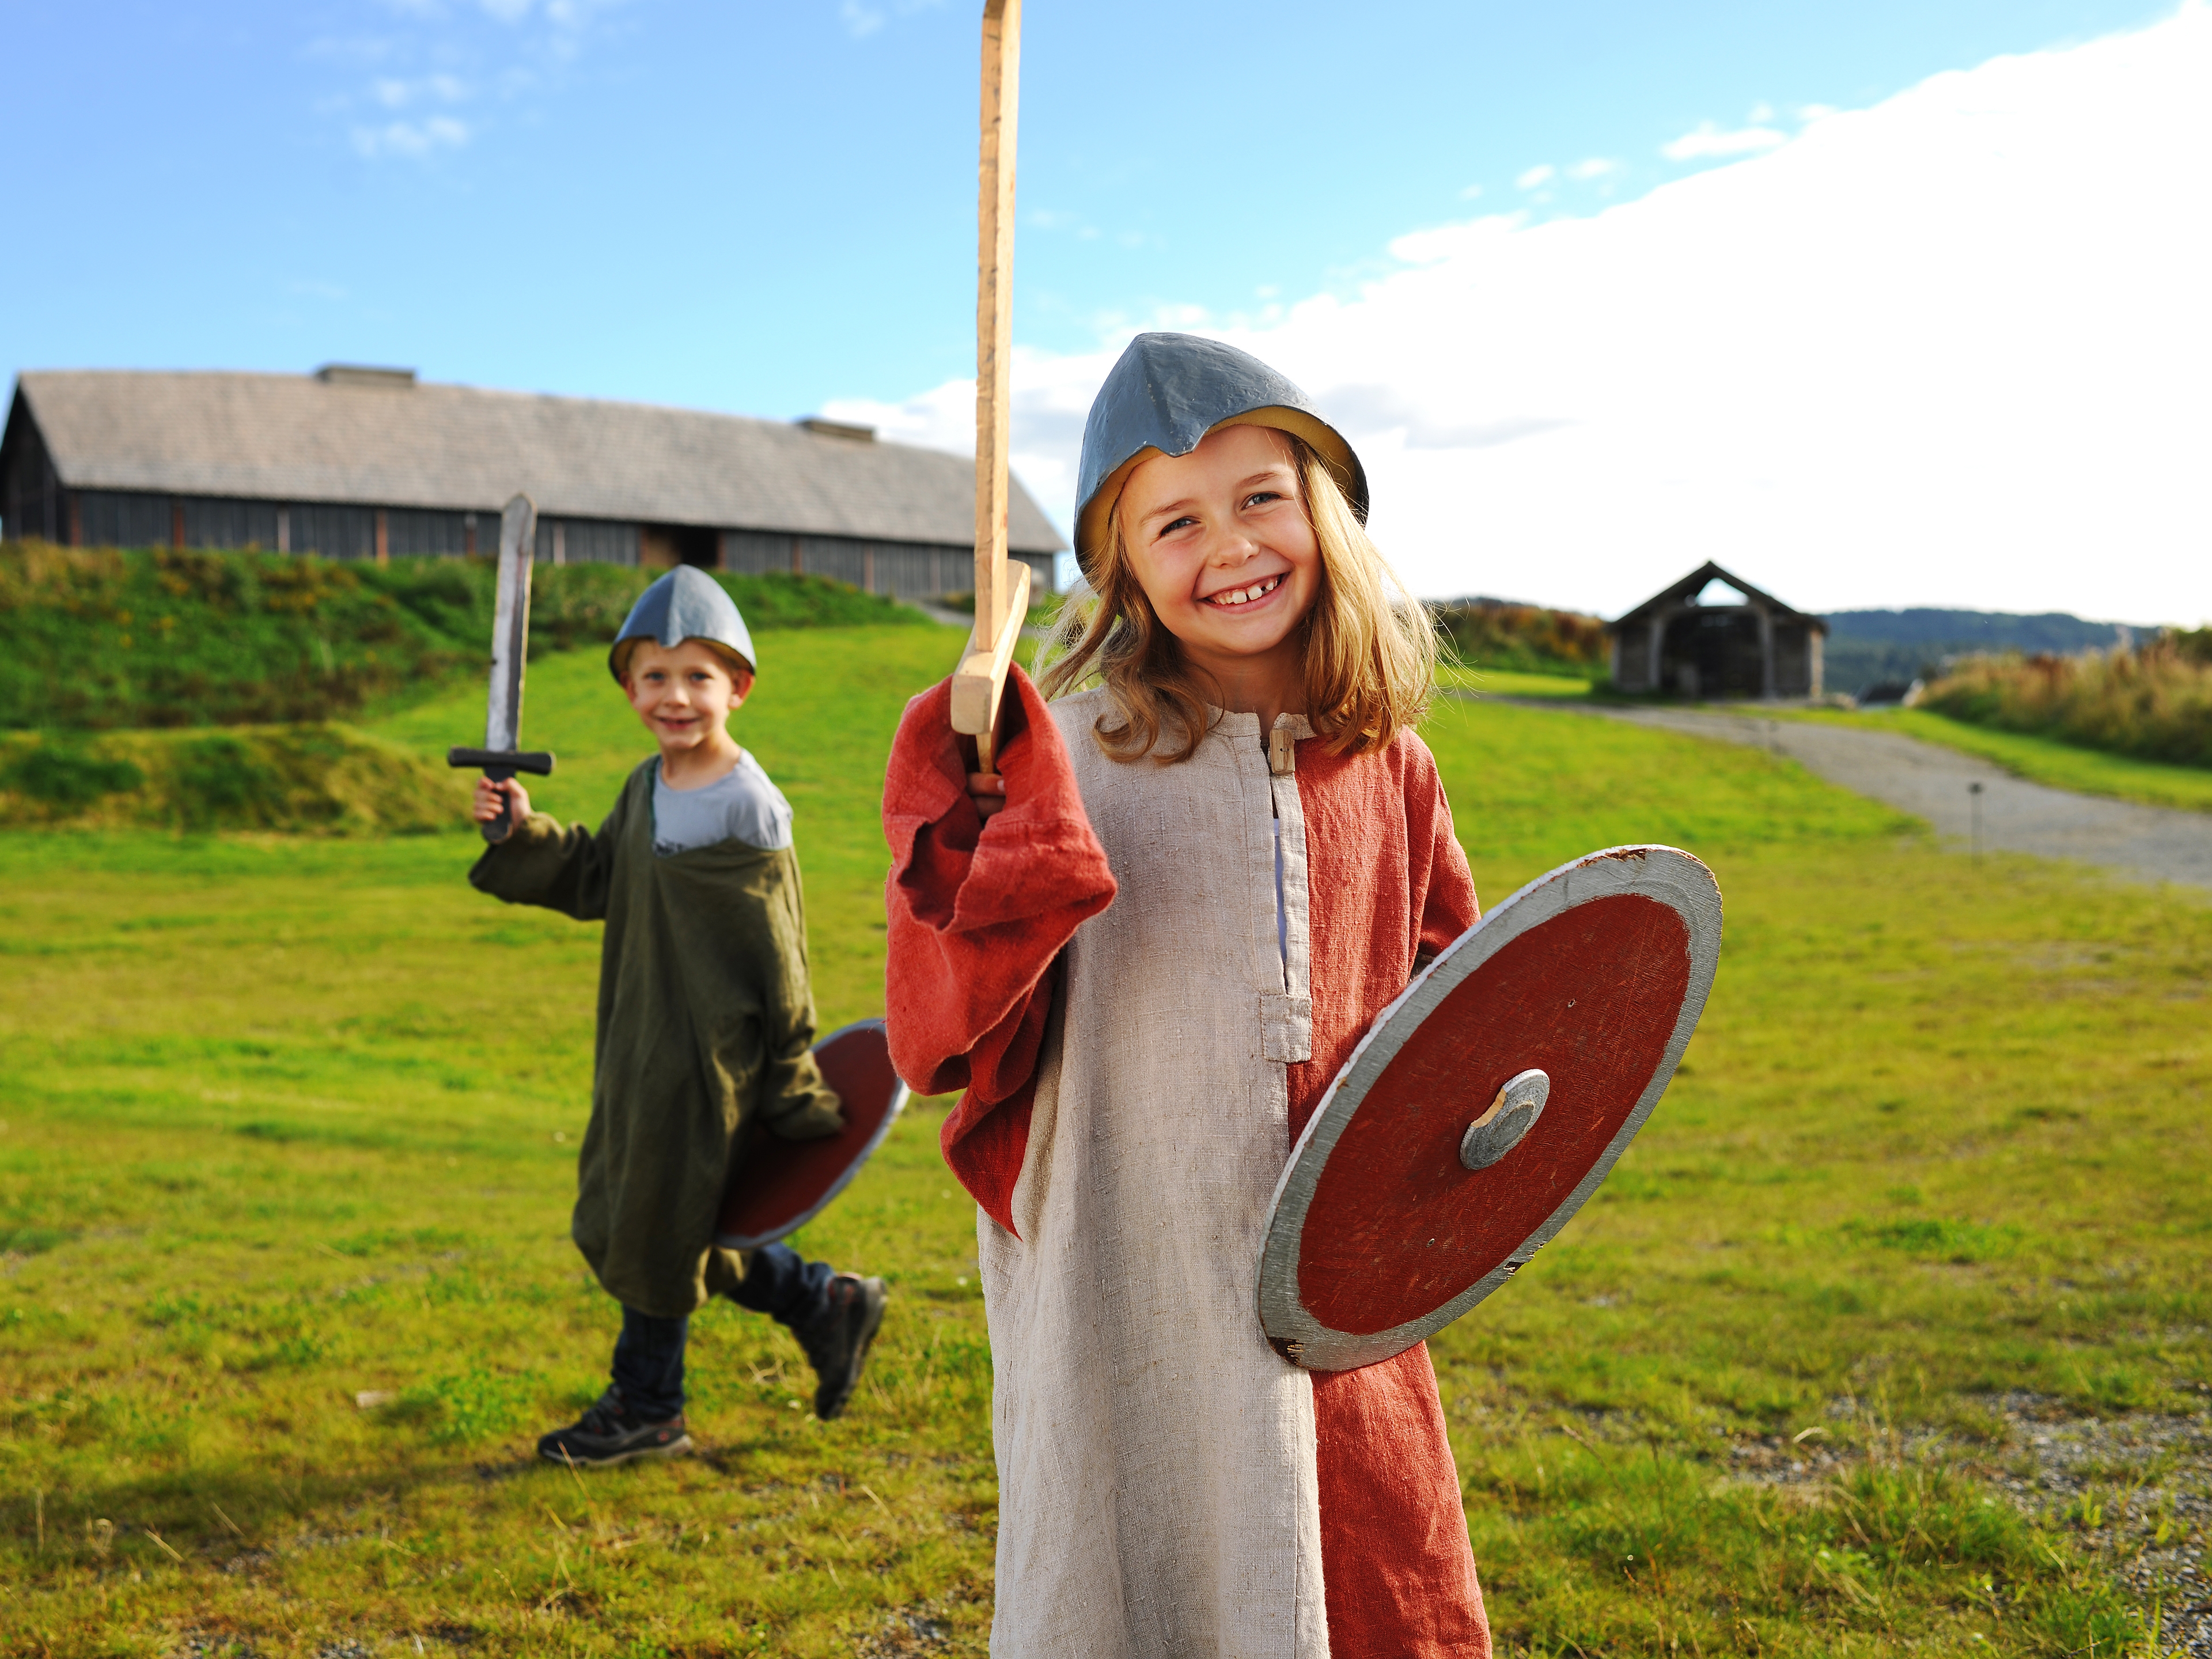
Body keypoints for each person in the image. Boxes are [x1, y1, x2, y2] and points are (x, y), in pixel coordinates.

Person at [882, 333, 1493, 1655]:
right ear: (1125, 571)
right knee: (1138, 1560)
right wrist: (970, 817)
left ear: (1323, 509)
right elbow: (949, 1026)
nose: (1230, 545)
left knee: (1352, 1559)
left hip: (1329, 1263)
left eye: (1261, 497)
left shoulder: (1393, 768)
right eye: (1176, 521)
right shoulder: (1074, 762)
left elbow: (1467, 1009)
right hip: (1130, 1252)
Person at [471, 565, 887, 1468]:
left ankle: (648, 1407)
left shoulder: (750, 806)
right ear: (629, 689)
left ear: (737, 686)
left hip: (711, 1061)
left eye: (698, 675)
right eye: (653, 676)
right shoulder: (646, 786)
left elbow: (781, 956)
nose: (675, 696)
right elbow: (597, 879)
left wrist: (791, 1072)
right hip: (637, 1041)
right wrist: (520, 831)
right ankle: (825, 1302)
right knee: (643, 1216)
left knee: (658, 1225)